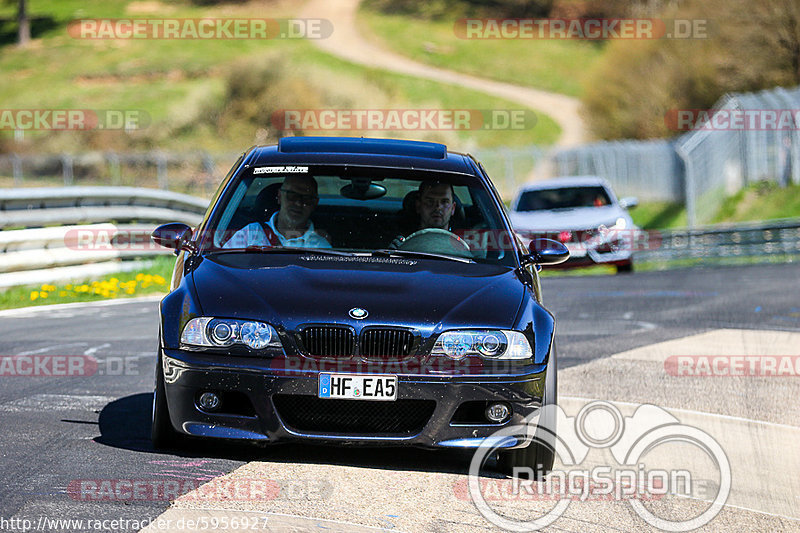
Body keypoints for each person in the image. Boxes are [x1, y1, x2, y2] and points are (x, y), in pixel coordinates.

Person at [224, 175, 331, 249]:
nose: (298, 203)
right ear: (279, 196)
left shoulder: (321, 246)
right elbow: (223, 268)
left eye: (306, 199)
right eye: (292, 196)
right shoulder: (250, 233)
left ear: (314, 203)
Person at [390, 181, 460, 248]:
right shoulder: (403, 245)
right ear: (418, 206)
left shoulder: (462, 246)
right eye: (430, 201)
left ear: (453, 208)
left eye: (444, 202)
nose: (438, 207)